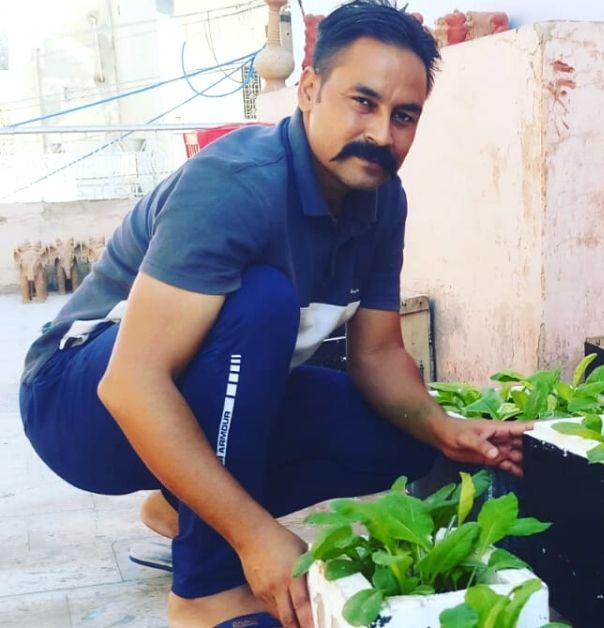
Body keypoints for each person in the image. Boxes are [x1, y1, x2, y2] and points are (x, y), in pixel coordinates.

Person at [17, 2, 528, 626]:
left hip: (187, 394)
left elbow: (377, 353)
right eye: (361, 102)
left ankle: (185, 511)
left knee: (393, 439)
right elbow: (130, 382)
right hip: (77, 402)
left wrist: (441, 425)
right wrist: (255, 535)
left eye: (403, 116)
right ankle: (205, 592)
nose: (381, 134)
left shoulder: (380, 198)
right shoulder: (238, 183)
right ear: (309, 89)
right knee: (262, 300)